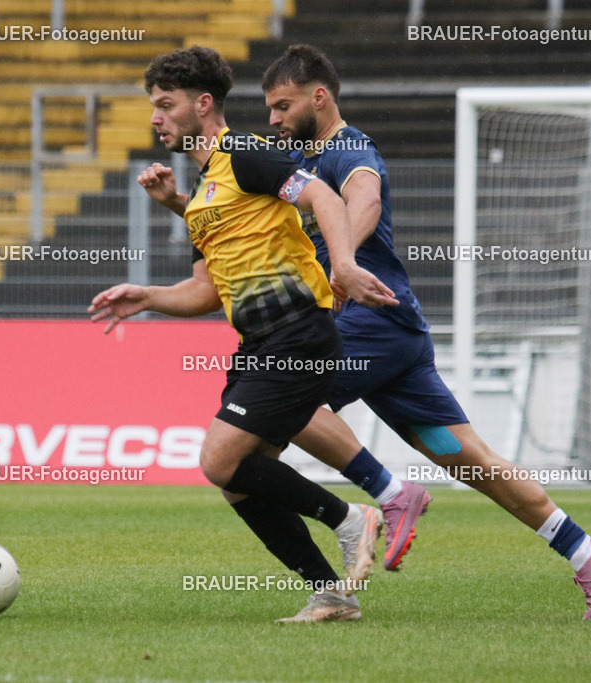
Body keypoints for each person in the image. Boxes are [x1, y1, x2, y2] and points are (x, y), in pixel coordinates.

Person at [259, 44, 591, 620]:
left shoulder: (348, 148)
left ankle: (389, 495)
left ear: (319, 97)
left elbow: (368, 198)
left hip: (369, 319)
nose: (275, 119)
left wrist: (343, 266)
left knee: (276, 399)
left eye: (283, 105)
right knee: (471, 460)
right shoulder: (309, 162)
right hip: (394, 331)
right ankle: (586, 551)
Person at [89, 46, 394, 622]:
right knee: (240, 483)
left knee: (218, 460)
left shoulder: (244, 153)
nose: (155, 117)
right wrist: (149, 295)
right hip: (259, 346)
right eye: (152, 105)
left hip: (298, 335)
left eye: (166, 104)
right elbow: (207, 291)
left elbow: (323, 195)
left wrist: (346, 263)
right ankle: (332, 595)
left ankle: (351, 519)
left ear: (203, 105)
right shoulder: (205, 192)